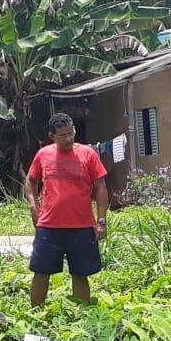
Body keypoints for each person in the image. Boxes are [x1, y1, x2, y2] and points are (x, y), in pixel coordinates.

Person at [25, 113, 109, 307]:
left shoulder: (87, 154)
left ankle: (80, 316)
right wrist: (32, 205)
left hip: (81, 226)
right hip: (48, 226)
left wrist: (101, 220)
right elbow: (30, 180)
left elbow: (101, 187)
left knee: (80, 274)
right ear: (52, 136)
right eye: (63, 135)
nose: (69, 139)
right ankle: (36, 315)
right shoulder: (43, 154)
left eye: (71, 133)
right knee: (41, 272)